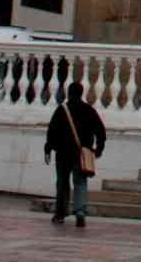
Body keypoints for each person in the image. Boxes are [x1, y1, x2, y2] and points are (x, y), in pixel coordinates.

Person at [44, 80, 107, 229]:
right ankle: (80, 212)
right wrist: (98, 149)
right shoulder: (89, 110)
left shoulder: (62, 109)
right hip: (81, 154)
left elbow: (52, 131)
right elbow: (100, 130)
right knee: (80, 183)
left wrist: (48, 149)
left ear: (69, 93)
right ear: (81, 93)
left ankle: (60, 214)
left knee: (62, 183)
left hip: (63, 153)